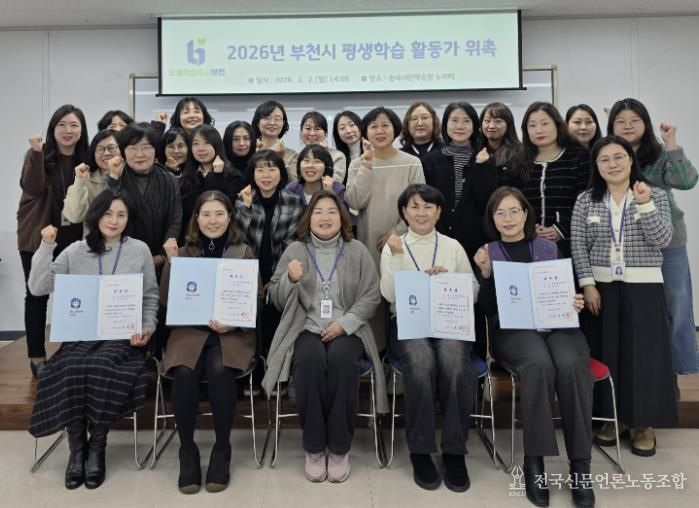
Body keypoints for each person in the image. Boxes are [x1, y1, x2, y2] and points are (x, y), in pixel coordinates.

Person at [28, 189, 158, 490]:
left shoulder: (139, 250)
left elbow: (150, 296)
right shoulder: (75, 251)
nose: (114, 220)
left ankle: (97, 444)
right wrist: (46, 247)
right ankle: (78, 448)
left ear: (129, 219)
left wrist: (147, 328)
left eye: (121, 215)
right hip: (80, 337)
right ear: (96, 215)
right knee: (70, 366)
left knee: (102, 365)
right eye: (108, 213)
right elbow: (38, 288)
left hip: (123, 338)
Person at [474, 186, 593, 508]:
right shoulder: (488, 251)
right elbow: (487, 309)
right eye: (500, 213)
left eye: (514, 211)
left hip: (558, 325)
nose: (508, 218)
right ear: (492, 219)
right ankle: (534, 463)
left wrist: (574, 301)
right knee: (538, 365)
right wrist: (485, 273)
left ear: (526, 214)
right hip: (514, 330)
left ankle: (580, 465)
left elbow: (565, 290)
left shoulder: (547, 247)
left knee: (571, 365)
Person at [262, 190, 387, 483]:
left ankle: (340, 448)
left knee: (343, 360)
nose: (325, 217)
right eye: (318, 212)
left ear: (341, 217)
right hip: (305, 327)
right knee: (309, 360)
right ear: (309, 218)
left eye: (332, 211)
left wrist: (345, 323)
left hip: (348, 328)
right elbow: (275, 298)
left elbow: (371, 295)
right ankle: (315, 447)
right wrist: (290, 280)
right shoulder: (295, 250)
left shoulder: (356, 250)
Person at [571, 135, 678, 458]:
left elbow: (663, 239)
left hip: (644, 287)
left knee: (645, 358)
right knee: (608, 355)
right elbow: (578, 245)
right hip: (601, 289)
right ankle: (613, 419)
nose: (612, 164)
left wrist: (644, 204)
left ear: (631, 160)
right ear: (596, 165)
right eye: (604, 159)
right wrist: (588, 284)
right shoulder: (586, 200)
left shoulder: (654, 194)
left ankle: (644, 425)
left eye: (619, 157)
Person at [380, 184, 479, 493]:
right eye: (414, 206)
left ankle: (454, 450)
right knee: (421, 362)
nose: (421, 212)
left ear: (439, 212)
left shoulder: (452, 246)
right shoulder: (393, 246)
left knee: (454, 361)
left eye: (428, 207)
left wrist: (448, 280)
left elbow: (474, 291)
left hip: (449, 324)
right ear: (404, 212)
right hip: (409, 324)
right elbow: (389, 294)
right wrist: (398, 257)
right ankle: (421, 450)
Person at [160, 191, 259, 494]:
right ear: (196, 218)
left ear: (230, 217)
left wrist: (233, 322)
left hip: (231, 332)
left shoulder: (243, 251)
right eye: (206, 214)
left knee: (220, 369)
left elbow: (254, 299)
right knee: (185, 373)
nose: (212, 220)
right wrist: (172, 264)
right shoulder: (183, 252)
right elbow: (166, 300)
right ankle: (187, 450)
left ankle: (222, 448)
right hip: (189, 331)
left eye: (219, 214)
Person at [607, 98, 698, 376]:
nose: (628, 126)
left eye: (635, 120)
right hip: (626, 246)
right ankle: (646, 373)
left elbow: (686, 181)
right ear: (611, 126)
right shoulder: (606, 154)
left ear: (646, 123)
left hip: (667, 242)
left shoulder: (659, 154)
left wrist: (672, 143)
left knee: (677, 304)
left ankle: (681, 370)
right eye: (621, 121)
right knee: (637, 312)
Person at [17, 104, 89, 376]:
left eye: (74, 125)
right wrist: (37, 153)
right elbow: (32, 187)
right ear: (53, 128)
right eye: (62, 124)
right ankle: (37, 356)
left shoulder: (86, 159)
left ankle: (72, 351)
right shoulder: (39, 154)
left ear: (82, 130)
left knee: (75, 294)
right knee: (37, 295)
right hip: (39, 236)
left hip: (75, 237)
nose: (68, 130)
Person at [235, 149, 304, 385]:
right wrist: (246, 208)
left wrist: (274, 279)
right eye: (260, 169)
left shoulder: (294, 202)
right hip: (248, 275)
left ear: (281, 174)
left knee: (276, 323)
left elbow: (292, 244)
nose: (266, 175)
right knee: (250, 325)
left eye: (272, 169)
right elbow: (239, 242)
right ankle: (252, 376)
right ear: (252, 174)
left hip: (280, 274)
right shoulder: (242, 200)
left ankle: (276, 378)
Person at [422, 101, 497, 261]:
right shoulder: (430, 161)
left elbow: (487, 201)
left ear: (475, 126)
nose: (460, 126)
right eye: (454, 120)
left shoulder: (486, 157)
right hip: (439, 239)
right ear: (445, 124)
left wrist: (481, 167)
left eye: (466, 121)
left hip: (477, 241)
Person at [106, 124, 182, 277]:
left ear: (155, 150)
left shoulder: (169, 179)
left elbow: (175, 221)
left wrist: (162, 256)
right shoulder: (115, 177)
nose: (139, 154)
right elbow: (108, 216)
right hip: (122, 261)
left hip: (162, 260)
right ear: (123, 152)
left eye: (146, 147)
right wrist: (113, 179)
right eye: (132, 148)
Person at [517, 102, 590, 258]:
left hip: (571, 244)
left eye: (545, 124)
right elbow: (515, 201)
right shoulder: (520, 161)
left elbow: (586, 199)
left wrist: (560, 229)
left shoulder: (578, 157)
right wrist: (530, 227)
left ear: (557, 125)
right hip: (528, 242)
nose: (539, 130)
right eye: (532, 125)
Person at [179, 124, 245, 242]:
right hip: (192, 240)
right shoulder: (186, 178)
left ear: (216, 144)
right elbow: (190, 209)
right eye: (196, 144)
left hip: (226, 240)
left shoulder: (233, 176)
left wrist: (217, 176)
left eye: (206, 143)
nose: (201, 148)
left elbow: (225, 207)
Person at [63, 129, 121, 229]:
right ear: (93, 153)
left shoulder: (131, 176)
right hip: (94, 237)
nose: (106, 153)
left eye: (111, 148)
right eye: (100, 149)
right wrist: (79, 181)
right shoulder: (86, 180)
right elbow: (75, 217)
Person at [287, 111, 347, 181]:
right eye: (308, 128)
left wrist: (324, 156)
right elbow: (294, 184)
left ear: (325, 134)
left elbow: (335, 183)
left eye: (317, 129)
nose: (312, 133)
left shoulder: (338, 156)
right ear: (301, 132)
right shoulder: (296, 158)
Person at [479, 101, 522, 185]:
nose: (491, 126)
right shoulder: (476, 150)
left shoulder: (520, 152)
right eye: (487, 121)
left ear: (508, 125)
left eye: (498, 121)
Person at [251, 100, 297, 173]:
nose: (272, 123)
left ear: (283, 123)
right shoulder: (248, 151)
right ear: (258, 122)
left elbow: (293, 180)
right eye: (267, 118)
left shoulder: (292, 155)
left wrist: (281, 160)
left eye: (277, 119)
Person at [332, 110, 363, 184]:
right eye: (342, 128)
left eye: (352, 125)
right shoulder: (338, 159)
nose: (348, 131)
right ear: (337, 134)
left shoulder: (373, 152)